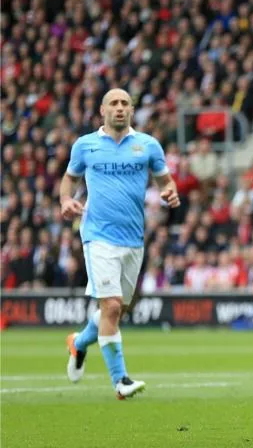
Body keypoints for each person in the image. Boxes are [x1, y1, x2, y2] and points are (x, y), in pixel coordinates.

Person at [63, 88, 180, 399]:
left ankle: (79, 342)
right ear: (102, 110)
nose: (119, 108)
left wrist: (170, 191)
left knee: (117, 310)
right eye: (113, 103)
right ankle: (121, 380)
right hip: (98, 236)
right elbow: (69, 178)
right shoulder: (86, 145)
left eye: (124, 103)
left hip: (133, 240)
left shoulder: (148, 146)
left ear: (131, 110)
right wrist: (64, 199)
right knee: (112, 306)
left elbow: (165, 179)